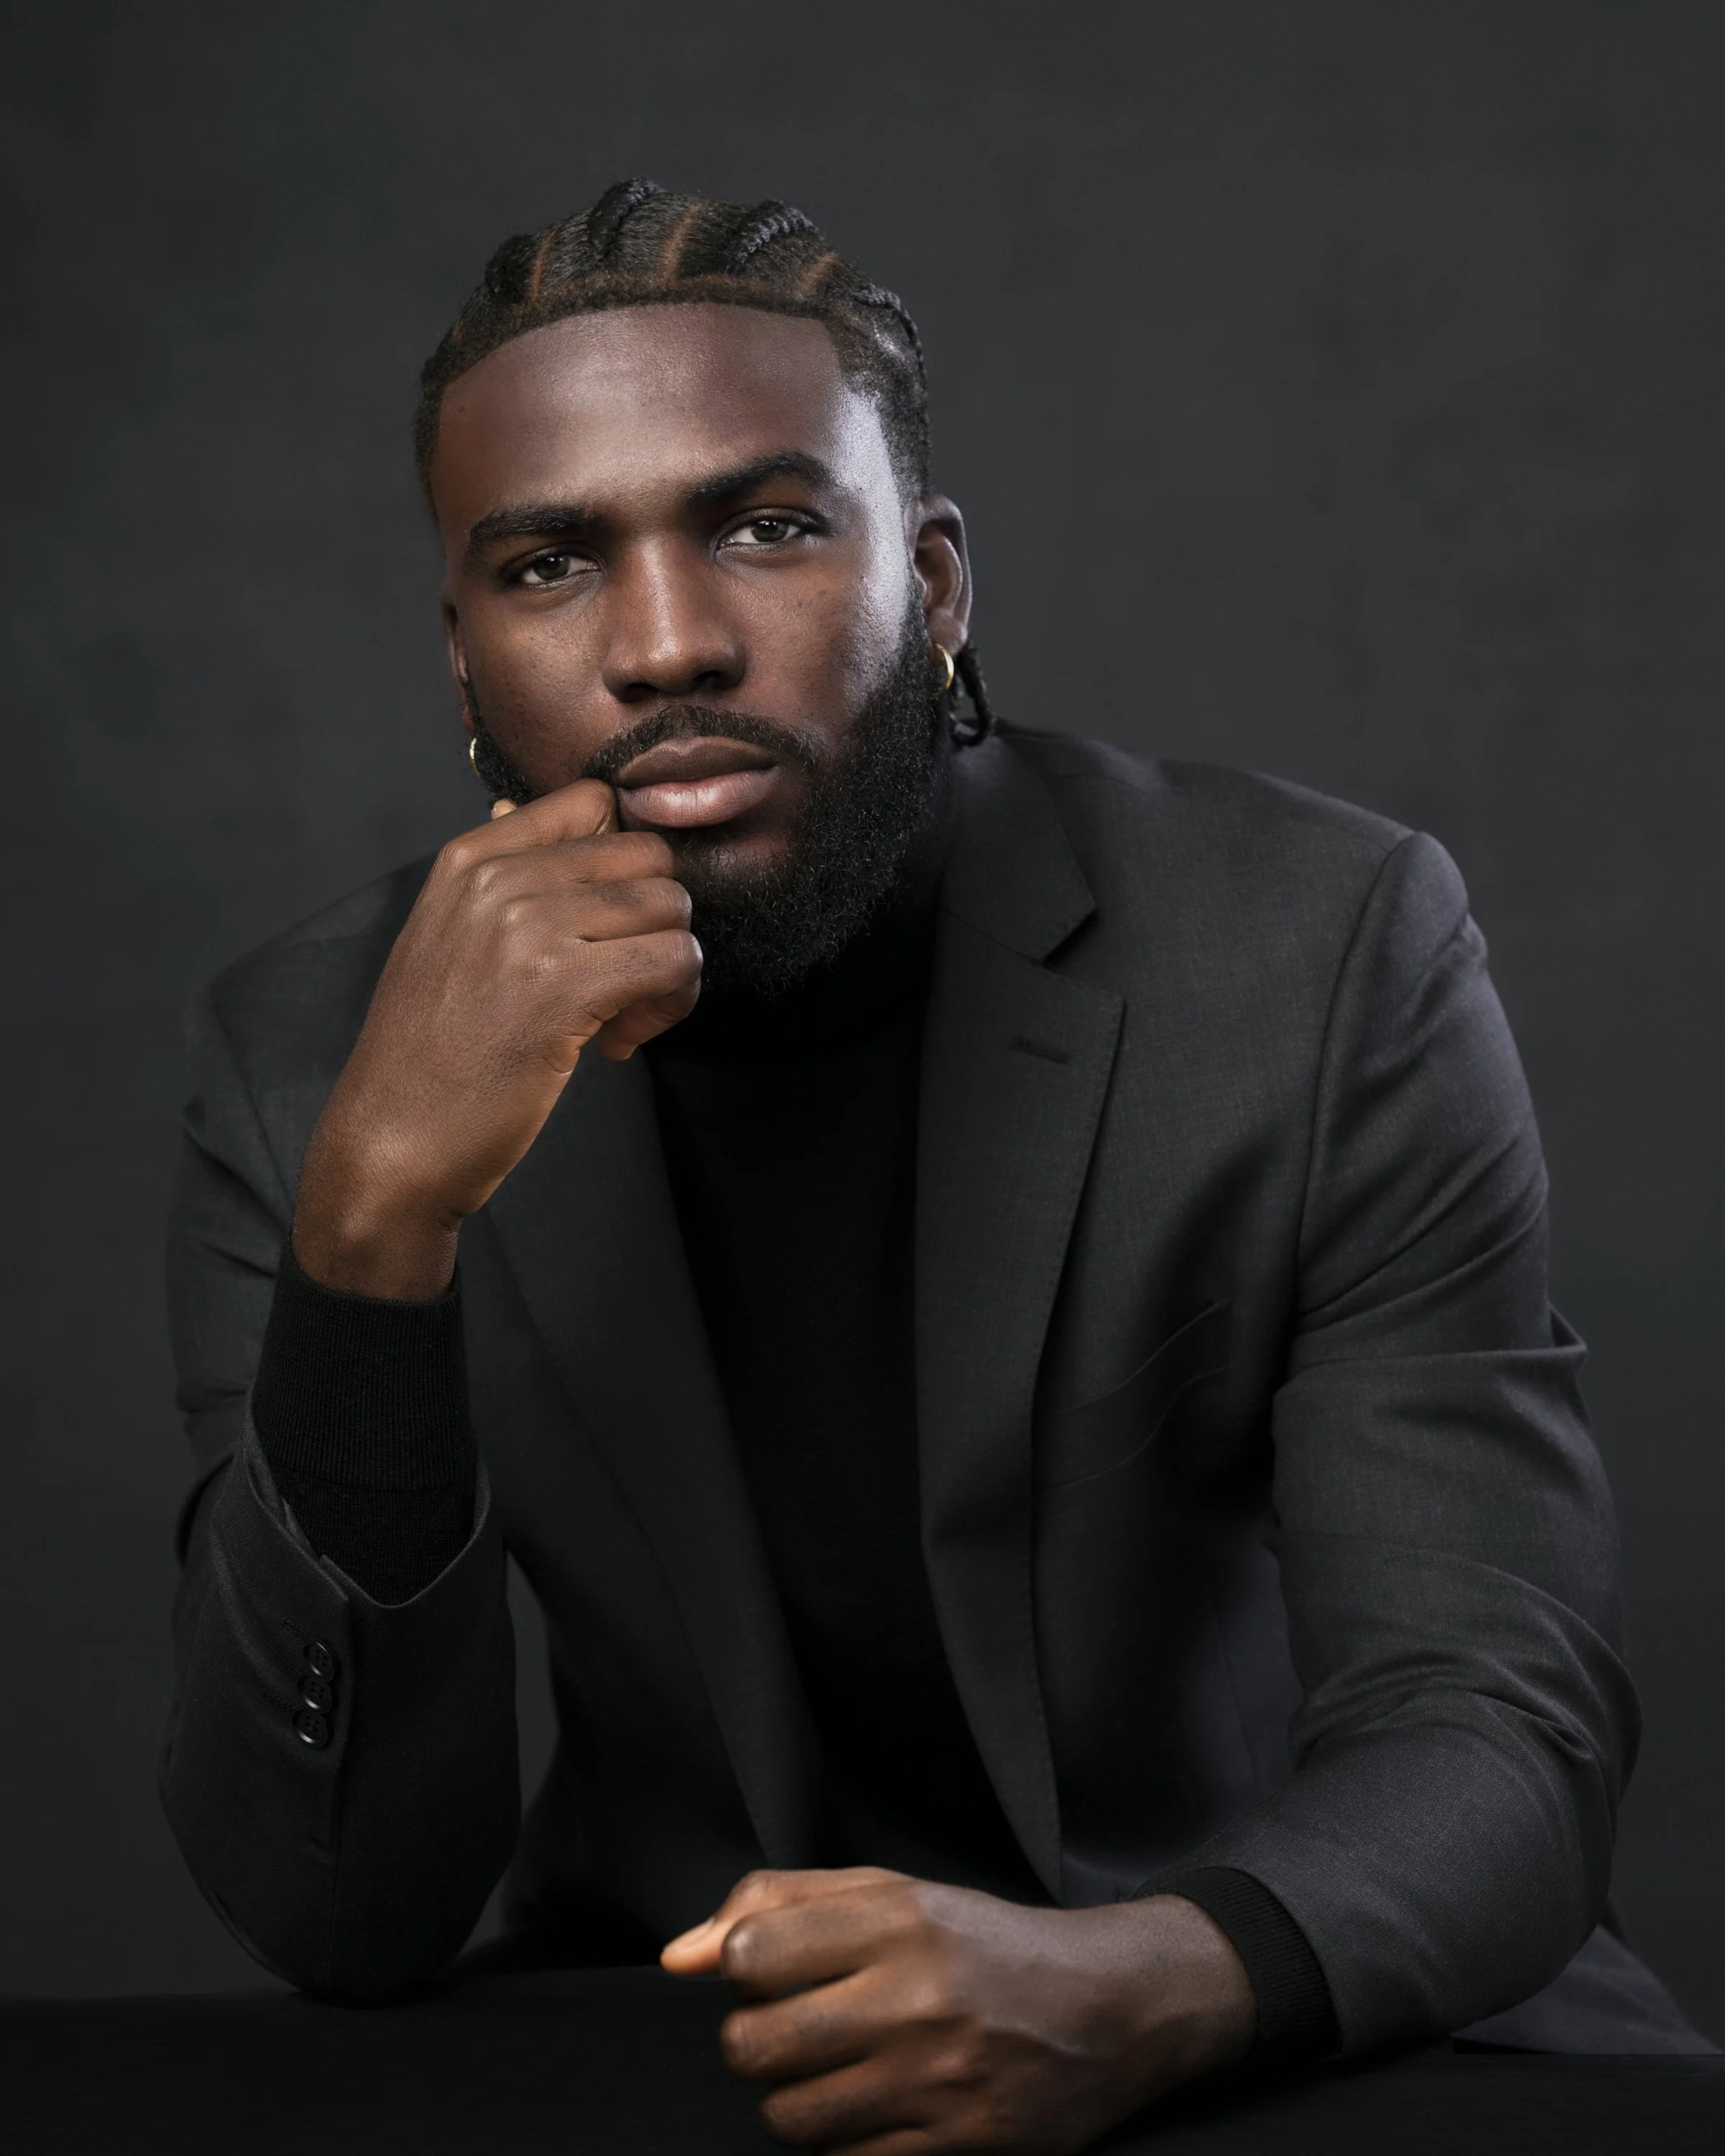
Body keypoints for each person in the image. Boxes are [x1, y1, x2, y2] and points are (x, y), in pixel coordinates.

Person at [160, 180, 1707, 2153]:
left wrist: (1147, 1980)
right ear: (466, 670)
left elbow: (1502, 1724)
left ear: (941, 586)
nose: (667, 645)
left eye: (771, 526)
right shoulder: (311, 1065)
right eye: (550, 567)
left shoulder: (1319, 952)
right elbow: (337, 1911)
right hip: (702, 2056)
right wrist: (372, 1235)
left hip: (1284, 2013)